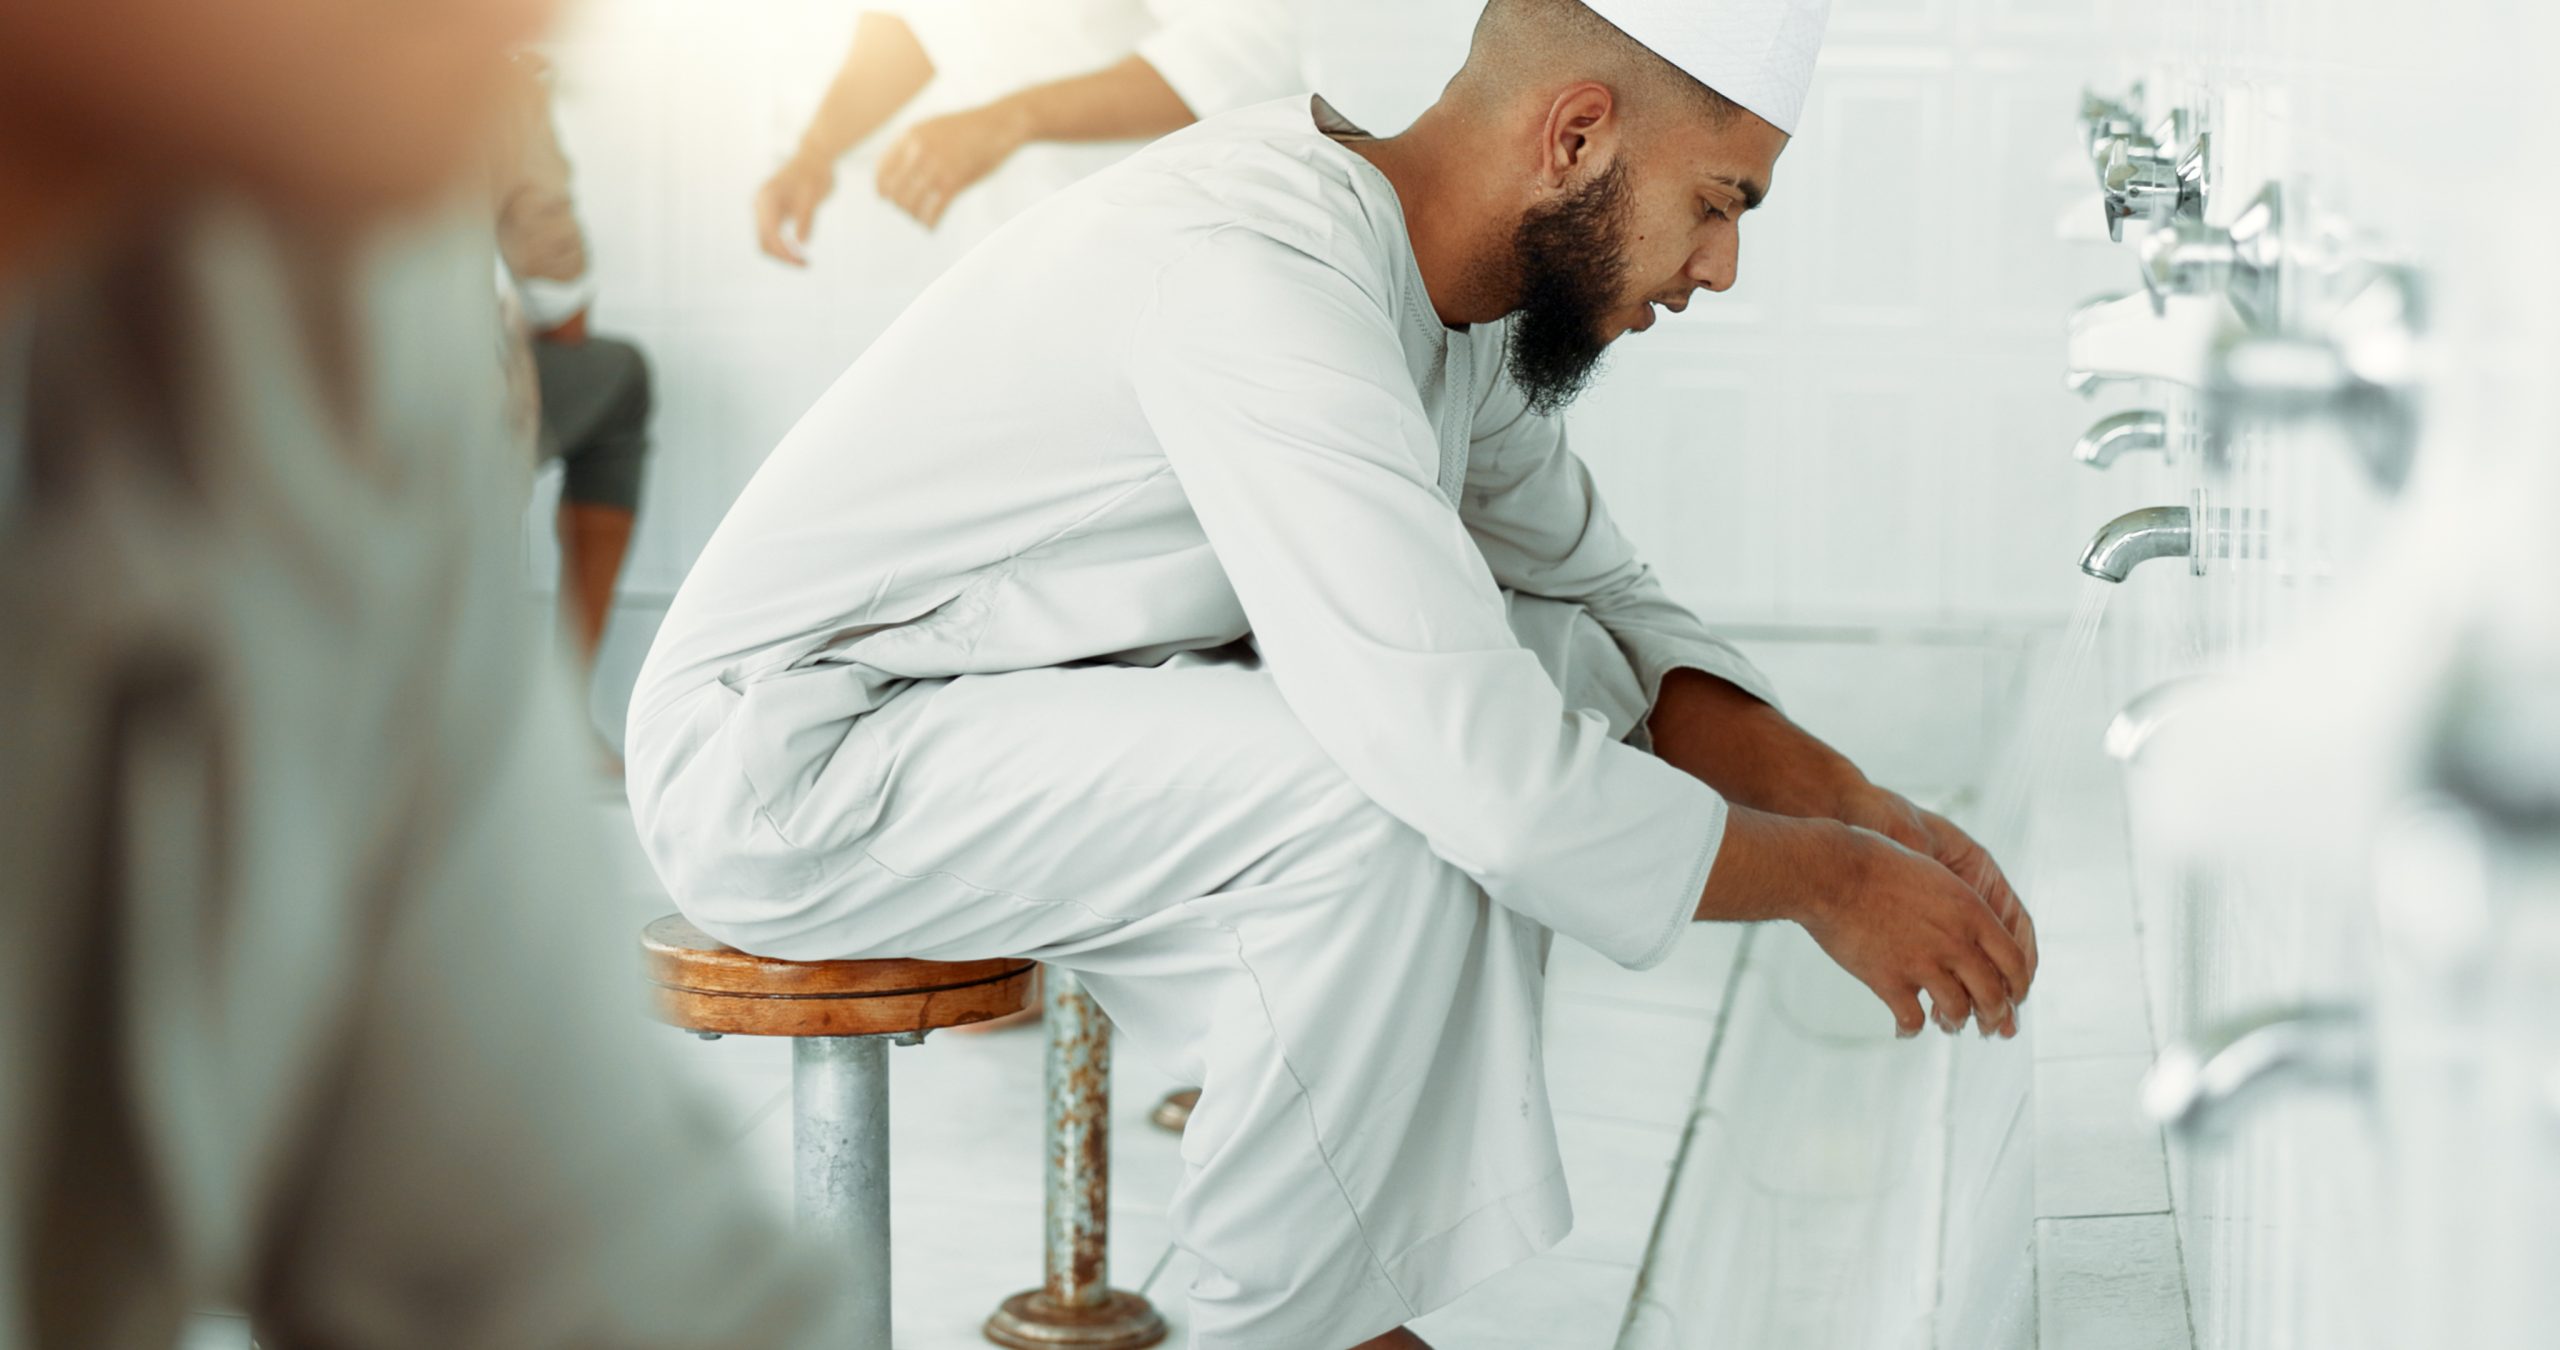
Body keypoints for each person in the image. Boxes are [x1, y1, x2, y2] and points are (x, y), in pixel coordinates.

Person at [628, 0, 2038, 1345]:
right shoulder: (1259, 273)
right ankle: (1295, 1327)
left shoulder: (1441, 307)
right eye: (1720, 203)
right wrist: (1829, 886)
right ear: (1577, 137)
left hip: (967, 717)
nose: (1720, 266)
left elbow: (1601, 607)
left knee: (1523, 670)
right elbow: (1479, 776)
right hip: (790, 750)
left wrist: (1858, 806)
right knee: (1387, 782)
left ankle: (1319, 1302)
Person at [0, 2, 860, 1344]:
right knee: (617, 389)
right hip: (542, 409)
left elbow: (563, 1260)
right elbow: (559, 271)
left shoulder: (316, 290)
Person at [754, 0, 1297, 258]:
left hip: (1174, 242)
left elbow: (1248, 47)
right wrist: (816, 149)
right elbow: (916, 21)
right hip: (1016, 248)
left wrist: (1010, 120)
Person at [495, 51, 654, 676]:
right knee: (620, 380)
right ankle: (560, 710)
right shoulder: (478, 70)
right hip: (432, 416)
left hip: (216, 412)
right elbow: (556, 292)